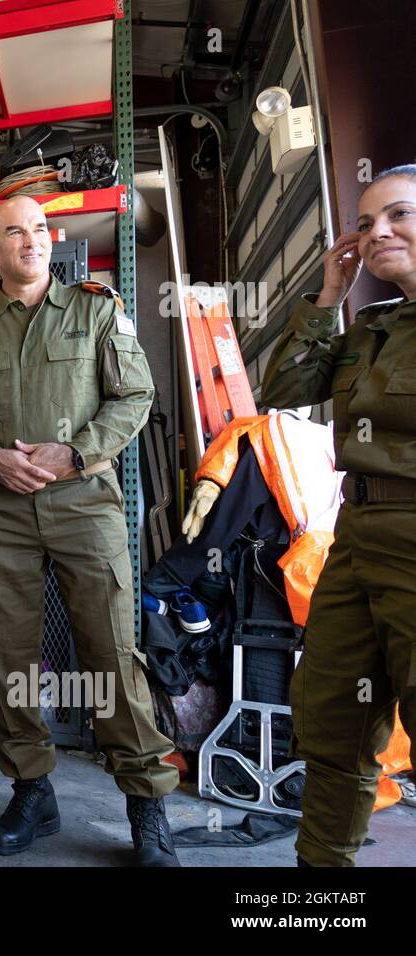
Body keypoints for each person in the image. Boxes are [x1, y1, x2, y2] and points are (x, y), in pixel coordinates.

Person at [0, 195, 181, 866]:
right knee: (4, 654)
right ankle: (32, 791)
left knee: (110, 652)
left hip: (84, 504)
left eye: (39, 228)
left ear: (53, 238)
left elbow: (134, 397)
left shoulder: (99, 311)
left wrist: (73, 452)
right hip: (2, 511)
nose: (30, 240)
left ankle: (146, 803)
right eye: (13, 231)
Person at [260, 164, 416, 867]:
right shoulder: (373, 325)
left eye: (399, 216)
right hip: (356, 538)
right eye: (365, 221)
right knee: (331, 718)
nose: (378, 231)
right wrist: (329, 294)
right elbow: (286, 387)